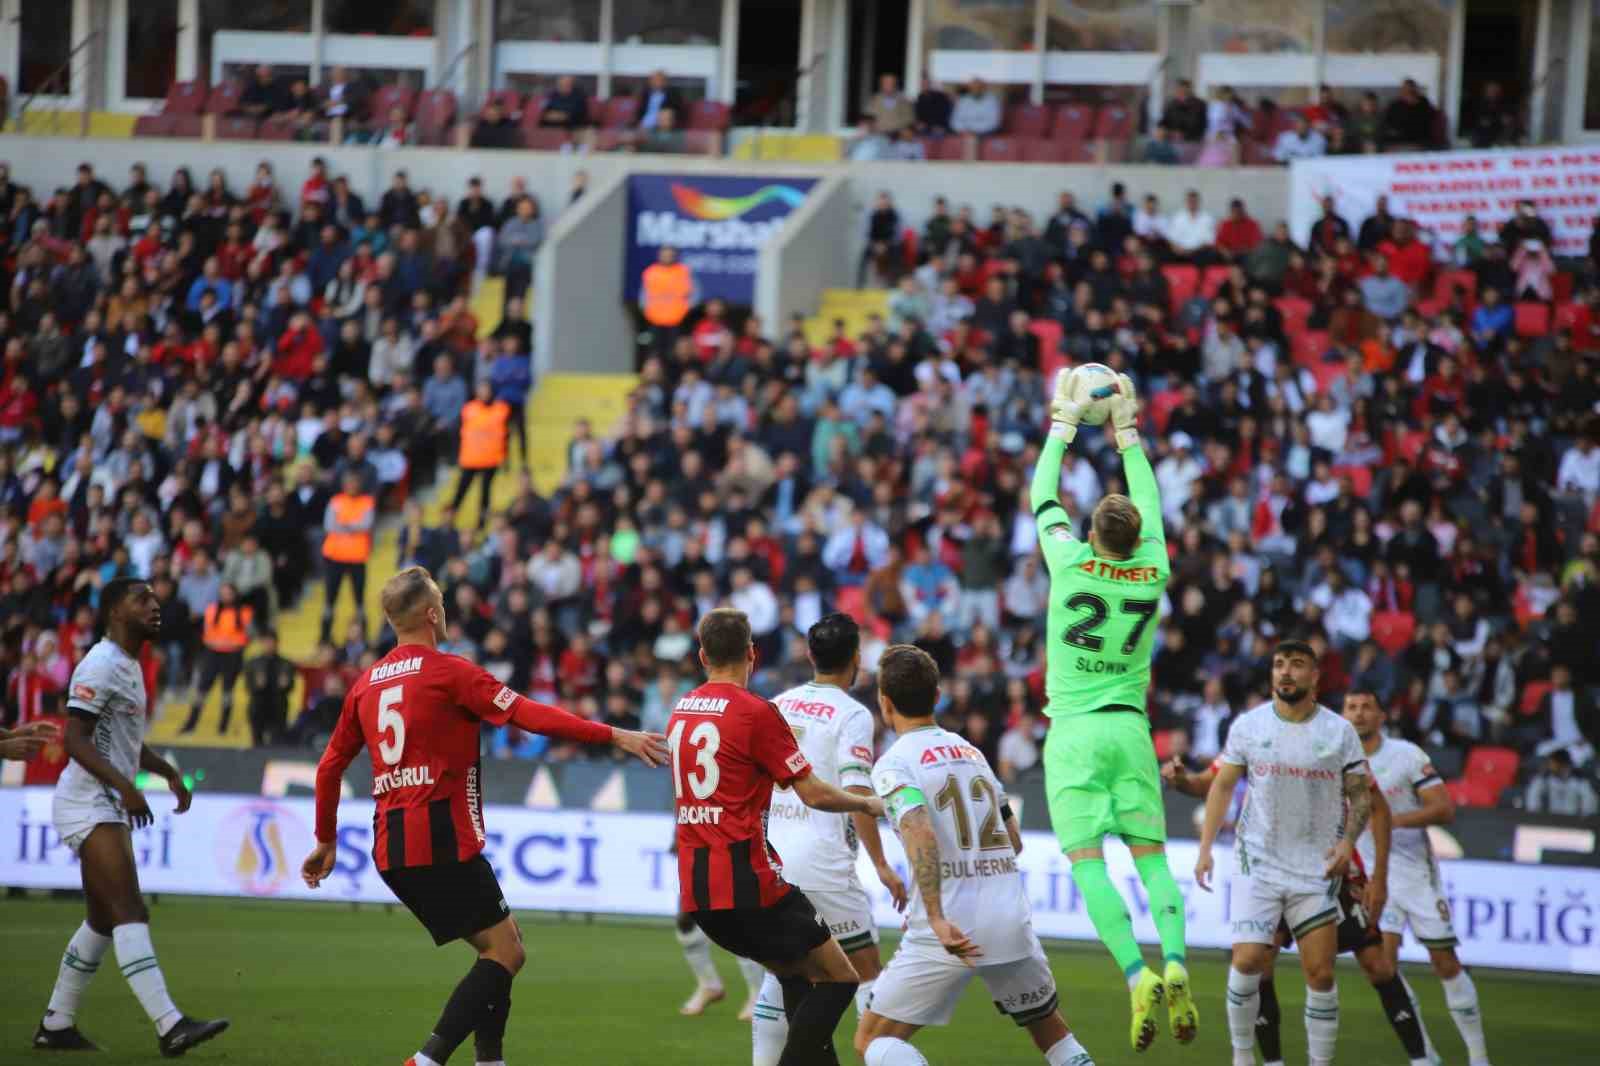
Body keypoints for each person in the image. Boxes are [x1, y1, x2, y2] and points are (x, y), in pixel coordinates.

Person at [302, 566, 667, 1066]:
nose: (446, 611)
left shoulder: (365, 684)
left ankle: (489, 1061)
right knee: (507, 953)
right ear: (432, 614)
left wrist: (325, 839)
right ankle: (427, 1060)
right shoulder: (450, 672)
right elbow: (528, 715)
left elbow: (329, 767)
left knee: (502, 944)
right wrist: (615, 735)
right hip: (440, 838)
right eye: (443, 603)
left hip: (391, 846)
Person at [1030, 367, 1195, 1051]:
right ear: (1134, 537)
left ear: (1092, 531)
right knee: (1153, 857)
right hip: (1131, 729)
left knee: (1089, 863)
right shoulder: (1153, 568)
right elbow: (1151, 508)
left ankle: (1135, 975)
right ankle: (1178, 958)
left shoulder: (1068, 563)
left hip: (1072, 734)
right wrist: (1129, 435)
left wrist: (1063, 430)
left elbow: (1042, 495)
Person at [853, 644, 1096, 1066]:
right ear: (936, 697)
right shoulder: (972, 753)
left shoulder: (894, 763)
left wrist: (935, 914)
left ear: (884, 702)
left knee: (872, 1040)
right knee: (1053, 1035)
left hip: (951, 926)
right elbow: (1013, 840)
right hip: (1009, 917)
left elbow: (919, 831)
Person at [1166, 693, 1439, 1066]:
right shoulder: (1255, 736)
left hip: (1326, 866)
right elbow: (1211, 782)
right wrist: (1182, 780)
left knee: (1376, 964)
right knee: (1255, 962)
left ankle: (1423, 1058)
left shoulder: (1331, 740)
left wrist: (1379, 878)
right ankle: (1272, 1061)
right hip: (1268, 866)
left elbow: (1377, 808)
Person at [670, 608, 885, 1065]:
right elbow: (812, 794)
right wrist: (865, 803)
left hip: (698, 892)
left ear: (702, 655)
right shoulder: (755, 712)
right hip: (752, 884)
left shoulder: (681, 710)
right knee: (842, 979)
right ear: (752, 653)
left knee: (795, 979)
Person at [34, 578, 229, 1056]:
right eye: (142, 598)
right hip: (88, 802)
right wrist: (126, 788)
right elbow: (74, 738)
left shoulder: (128, 665)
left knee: (102, 920)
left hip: (104, 800)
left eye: (156, 597)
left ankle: (56, 1022)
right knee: (130, 910)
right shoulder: (100, 664)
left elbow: (123, 742)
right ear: (114, 611)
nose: (155, 604)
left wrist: (166, 773)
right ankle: (170, 1025)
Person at [1196, 641, 1375, 1066]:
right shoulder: (1249, 726)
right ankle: (1243, 1058)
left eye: (1296, 665)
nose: (1285, 672)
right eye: (1279, 665)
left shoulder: (1339, 732)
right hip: (1257, 860)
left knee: (1322, 973)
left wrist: (1348, 842)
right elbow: (1222, 785)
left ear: (1316, 676)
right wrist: (1205, 848)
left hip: (1316, 867)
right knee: (1248, 960)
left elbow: (1361, 797)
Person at [753, 613, 909, 1063]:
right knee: (865, 972)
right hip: (823, 865)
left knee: (786, 972)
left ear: (809, 654)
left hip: (776, 861)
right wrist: (880, 864)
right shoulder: (853, 714)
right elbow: (858, 792)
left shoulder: (778, 704)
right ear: (857, 659)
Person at [1345, 691, 1495, 1066]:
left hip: (1414, 872)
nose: (1358, 714)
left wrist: (1389, 822)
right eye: (1351, 707)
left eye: (1366, 707)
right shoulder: (1336, 759)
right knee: (1384, 968)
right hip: (1372, 877)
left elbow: (1443, 808)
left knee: (1444, 962)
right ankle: (1424, 1056)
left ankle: (1478, 1057)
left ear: (1381, 715)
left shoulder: (1406, 755)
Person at [179, 582, 253, 735]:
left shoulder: (245, 612)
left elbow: (248, 635)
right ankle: (191, 723)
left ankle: (223, 727)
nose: (225, 596)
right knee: (202, 689)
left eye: (228, 592)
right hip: (213, 653)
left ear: (235, 594)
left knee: (227, 691)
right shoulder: (212, 610)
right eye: (223, 592)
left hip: (233, 654)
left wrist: (229, 642)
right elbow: (208, 633)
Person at [321, 469, 375, 643]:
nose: (352, 486)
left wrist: (343, 525)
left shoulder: (367, 502)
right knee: (330, 600)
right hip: (334, 558)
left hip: (357, 558)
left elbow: (366, 525)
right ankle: (325, 637)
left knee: (359, 600)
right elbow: (329, 525)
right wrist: (353, 527)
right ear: (344, 485)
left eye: (355, 483)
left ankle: (363, 638)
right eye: (349, 483)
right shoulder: (336, 501)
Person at [451, 379, 511, 527]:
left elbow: (506, 435)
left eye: (486, 389)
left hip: (491, 459)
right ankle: (450, 517)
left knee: (485, 492)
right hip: (470, 458)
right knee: (461, 490)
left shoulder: (501, 409)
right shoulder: (468, 409)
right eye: (481, 389)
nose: (484, 392)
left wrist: (505, 457)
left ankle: (481, 523)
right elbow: (459, 433)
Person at [243, 629, 298, 747]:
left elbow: (291, 687)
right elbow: (248, 687)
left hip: (278, 707)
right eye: (266, 641)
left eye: (271, 641)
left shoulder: (286, 664)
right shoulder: (252, 663)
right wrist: (257, 685)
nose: (269, 644)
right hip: (258, 707)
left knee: (276, 741)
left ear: (277, 643)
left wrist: (285, 685)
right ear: (261, 643)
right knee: (257, 741)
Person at [641, 244, 695, 353]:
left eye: (670, 255)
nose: (667, 257)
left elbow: (693, 294)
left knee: (674, 353)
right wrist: (646, 312)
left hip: (677, 320)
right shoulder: (651, 272)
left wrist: (686, 311)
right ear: (659, 255)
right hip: (654, 320)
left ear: (675, 256)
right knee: (654, 351)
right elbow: (643, 295)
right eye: (665, 254)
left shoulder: (682, 271)